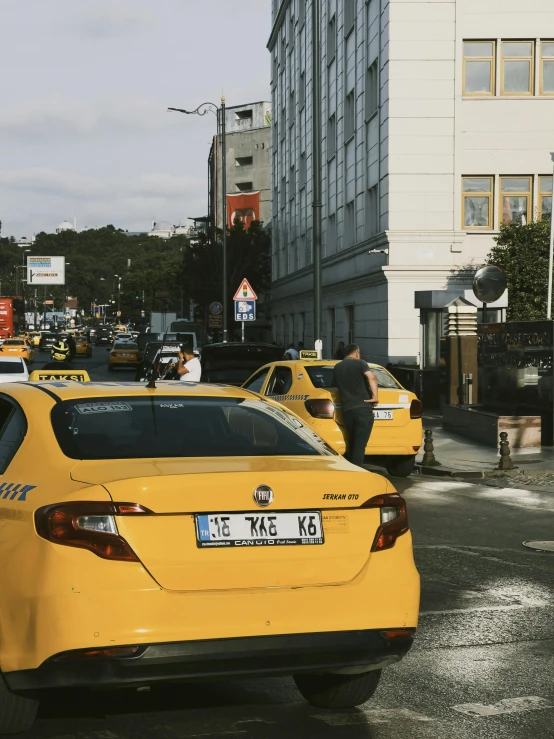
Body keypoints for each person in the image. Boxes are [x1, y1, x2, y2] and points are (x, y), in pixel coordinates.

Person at [332, 344, 379, 467]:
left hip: (347, 410)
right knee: (360, 446)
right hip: (363, 409)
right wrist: (375, 397)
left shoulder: (337, 367)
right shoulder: (361, 363)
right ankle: (356, 472)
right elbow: (371, 377)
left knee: (352, 444)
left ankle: (349, 469)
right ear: (357, 353)